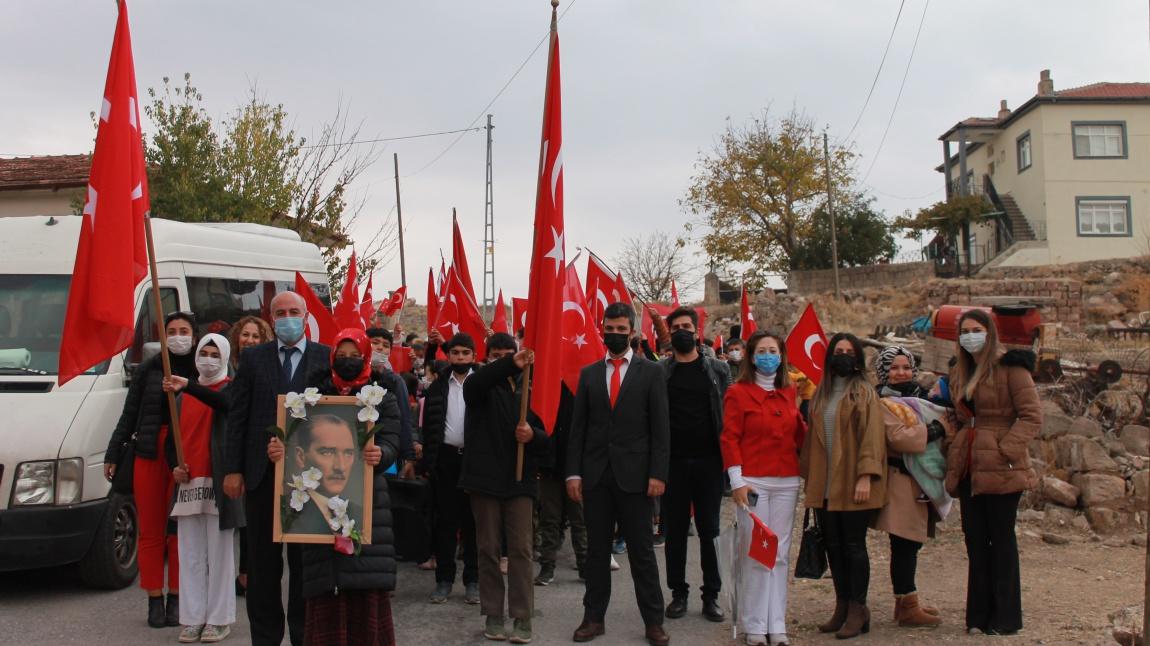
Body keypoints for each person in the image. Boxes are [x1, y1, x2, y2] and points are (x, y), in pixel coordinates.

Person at [268, 328, 403, 646]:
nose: (347, 362)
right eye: (340, 356)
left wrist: (380, 453)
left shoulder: (384, 394)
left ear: (366, 356)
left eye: (354, 356)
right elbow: (292, 442)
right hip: (317, 519)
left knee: (364, 593)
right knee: (325, 595)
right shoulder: (309, 397)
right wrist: (278, 450)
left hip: (368, 507)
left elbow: (393, 441)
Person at [224, 291, 330, 646]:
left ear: (305, 316)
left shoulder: (324, 358)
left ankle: (304, 635)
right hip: (260, 476)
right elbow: (237, 416)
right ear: (271, 319)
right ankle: (265, 638)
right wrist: (233, 469)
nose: (287, 317)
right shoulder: (254, 359)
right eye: (280, 312)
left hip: (308, 480)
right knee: (263, 567)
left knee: (304, 567)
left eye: (293, 312)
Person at [567, 302, 671, 646]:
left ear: (632, 332)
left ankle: (653, 622)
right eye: (608, 330)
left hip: (637, 478)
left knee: (642, 552)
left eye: (621, 330)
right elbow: (577, 428)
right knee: (597, 552)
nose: (614, 335)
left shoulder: (651, 373)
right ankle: (593, 618)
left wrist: (658, 474)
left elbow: (661, 429)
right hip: (596, 477)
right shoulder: (589, 374)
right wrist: (573, 474)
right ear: (603, 329)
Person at [945, 309, 1041, 636]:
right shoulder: (959, 370)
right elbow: (957, 415)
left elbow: (1031, 415)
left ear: (989, 332)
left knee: (1001, 540)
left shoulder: (1011, 368)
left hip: (1002, 467)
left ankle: (1006, 617)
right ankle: (978, 616)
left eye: (977, 329)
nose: (971, 335)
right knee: (974, 539)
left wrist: (1005, 450)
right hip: (971, 464)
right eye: (965, 330)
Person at [104, 311, 199, 628]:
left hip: (185, 455)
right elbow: (128, 414)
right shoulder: (148, 370)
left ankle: (176, 597)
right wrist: (113, 451)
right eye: (172, 330)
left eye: (184, 330)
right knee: (151, 531)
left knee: (179, 532)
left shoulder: (202, 368)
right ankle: (154, 599)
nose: (178, 336)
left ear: (194, 335)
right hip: (148, 451)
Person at [459, 333, 549, 643]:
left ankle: (522, 617)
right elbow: (474, 387)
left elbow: (551, 437)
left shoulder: (534, 387)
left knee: (522, 549)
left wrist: (533, 436)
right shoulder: (482, 384)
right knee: (487, 549)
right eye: (495, 354)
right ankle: (493, 612)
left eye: (508, 352)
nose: (503, 358)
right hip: (484, 480)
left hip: (520, 479)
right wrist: (509, 363)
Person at [720, 331, 806, 646]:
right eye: (762, 351)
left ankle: (776, 622)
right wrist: (737, 481)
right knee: (758, 553)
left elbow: (798, 434)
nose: (768, 356)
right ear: (752, 356)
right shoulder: (738, 393)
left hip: (786, 481)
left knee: (780, 554)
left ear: (782, 356)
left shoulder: (790, 391)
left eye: (774, 350)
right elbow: (730, 437)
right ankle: (754, 624)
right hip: (753, 482)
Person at [800, 332, 886, 640]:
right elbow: (813, 439)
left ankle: (857, 608)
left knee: (853, 547)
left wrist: (866, 475)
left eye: (850, 351)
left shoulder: (864, 392)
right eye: (839, 350)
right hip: (825, 485)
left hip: (853, 481)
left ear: (859, 359)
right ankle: (841, 604)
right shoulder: (822, 393)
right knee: (833, 547)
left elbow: (873, 437)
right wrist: (807, 476)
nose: (844, 355)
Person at [163, 333, 245, 644]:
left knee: (220, 554)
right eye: (203, 352)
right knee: (190, 554)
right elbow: (174, 440)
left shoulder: (230, 390)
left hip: (218, 482)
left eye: (214, 353)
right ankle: (193, 617)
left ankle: (219, 618)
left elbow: (225, 405)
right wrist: (175, 466)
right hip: (189, 482)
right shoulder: (180, 397)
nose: (207, 358)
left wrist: (190, 386)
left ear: (224, 357)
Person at [660, 307, 730, 623]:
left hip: (709, 462)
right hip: (673, 464)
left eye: (687, 326)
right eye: (676, 327)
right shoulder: (660, 372)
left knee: (709, 529)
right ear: (669, 332)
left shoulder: (717, 369)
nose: (682, 331)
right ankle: (678, 593)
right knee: (674, 531)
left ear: (697, 330)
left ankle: (711, 596)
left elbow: (727, 415)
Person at [871, 346, 944, 629]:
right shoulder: (881, 401)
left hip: (922, 480)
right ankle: (908, 605)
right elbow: (899, 438)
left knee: (911, 542)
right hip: (899, 479)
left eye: (905, 367)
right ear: (883, 372)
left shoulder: (921, 398)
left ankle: (905, 601)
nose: (901, 373)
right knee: (903, 541)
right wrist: (935, 430)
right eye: (894, 368)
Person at [420, 332, 481, 604]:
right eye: (455, 353)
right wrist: (428, 462)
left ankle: (473, 581)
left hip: (474, 461)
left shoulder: (481, 385)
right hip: (444, 461)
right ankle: (444, 580)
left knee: (473, 524)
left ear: (473, 356)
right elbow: (429, 427)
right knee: (445, 522)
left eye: (465, 353)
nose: (460, 357)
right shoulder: (437, 386)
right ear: (449, 355)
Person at [226, 314, 272, 596]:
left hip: (257, 457)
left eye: (256, 336)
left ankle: (246, 573)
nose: (250, 341)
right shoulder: (225, 365)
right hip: (234, 453)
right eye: (246, 335)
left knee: (248, 524)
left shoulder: (264, 368)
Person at [535, 386, 588, 586]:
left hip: (576, 468)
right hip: (550, 467)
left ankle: (585, 565)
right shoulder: (546, 389)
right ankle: (547, 567)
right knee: (549, 519)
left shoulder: (581, 389)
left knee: (580, 520)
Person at [366, 327, 416, 476]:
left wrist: (409, 456)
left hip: (385, 451)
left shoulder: (395, 381)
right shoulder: (351, 374)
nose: (380, 347)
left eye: (386, 345)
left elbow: (405, 419)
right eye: (375, 343)